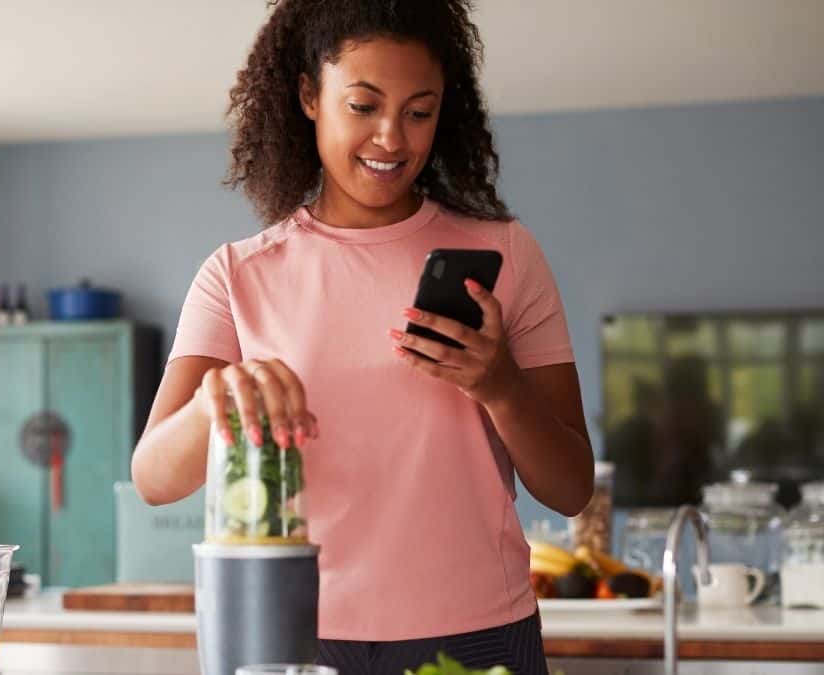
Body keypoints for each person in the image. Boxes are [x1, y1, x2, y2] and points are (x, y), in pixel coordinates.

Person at [131, 2, 593, 673]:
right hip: (291, 633)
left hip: (478, 632)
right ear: (310, 97)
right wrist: (213, 401)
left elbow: (572, 487)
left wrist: (501, 387)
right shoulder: (237, 275)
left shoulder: (507, 257)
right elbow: (152, 477)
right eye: (364, 105)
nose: (392, 138)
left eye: (418, 110)